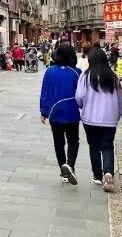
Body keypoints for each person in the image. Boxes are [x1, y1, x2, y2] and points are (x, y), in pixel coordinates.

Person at [76, 47, 122, 192]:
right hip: (109, 119)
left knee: (94, 146)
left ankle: (97, 176)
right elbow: (119, 99)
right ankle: (108, 172)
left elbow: (79, 97)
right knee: (107, 146)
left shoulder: (85, 76)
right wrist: (118, 115)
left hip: (90, 118)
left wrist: (82, 106)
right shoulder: (113, 77)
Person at [39, 42, 81, 185]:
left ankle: (64, 170)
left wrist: (43, 111)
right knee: (73, 141)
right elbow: (81, 94)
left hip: (55, 112)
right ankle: (70, 166)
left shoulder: (50, 71)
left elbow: (45, 92)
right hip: (72, 112)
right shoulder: (77, 72)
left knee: (59, 143)